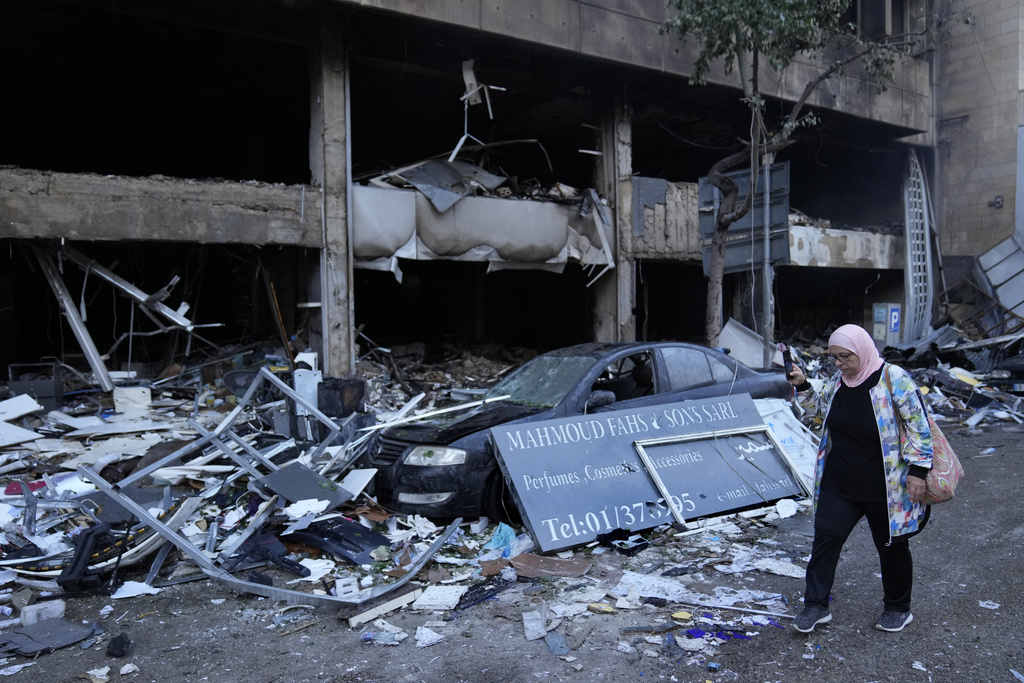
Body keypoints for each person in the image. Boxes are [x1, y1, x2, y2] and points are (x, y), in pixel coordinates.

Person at [788, 323, 932, 634]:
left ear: (862, 351)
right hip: (840, 482)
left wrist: (919, 473)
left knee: (891, 546)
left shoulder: (894, 380)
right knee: (826, 539)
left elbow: (920, 429)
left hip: (886, 486)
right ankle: (815, 605)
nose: (839, 364)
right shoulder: (840, 382)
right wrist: (802, 385)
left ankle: (898, 608)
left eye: (845, 357)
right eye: (834, 358)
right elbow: (820, 408)